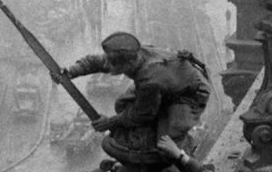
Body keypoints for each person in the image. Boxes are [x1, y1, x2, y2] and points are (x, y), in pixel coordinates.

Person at [52, 31, 212, 149]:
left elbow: (142, 113)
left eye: (113, 64)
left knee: (165, 144)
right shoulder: (134, 54)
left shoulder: (150, 79)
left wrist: (109, 122)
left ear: (127, 64)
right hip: (170, 82)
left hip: (191, 92)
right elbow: (97, 62)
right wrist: (71, 72)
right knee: (122, 104)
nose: (107, 66)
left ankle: (186, 148)